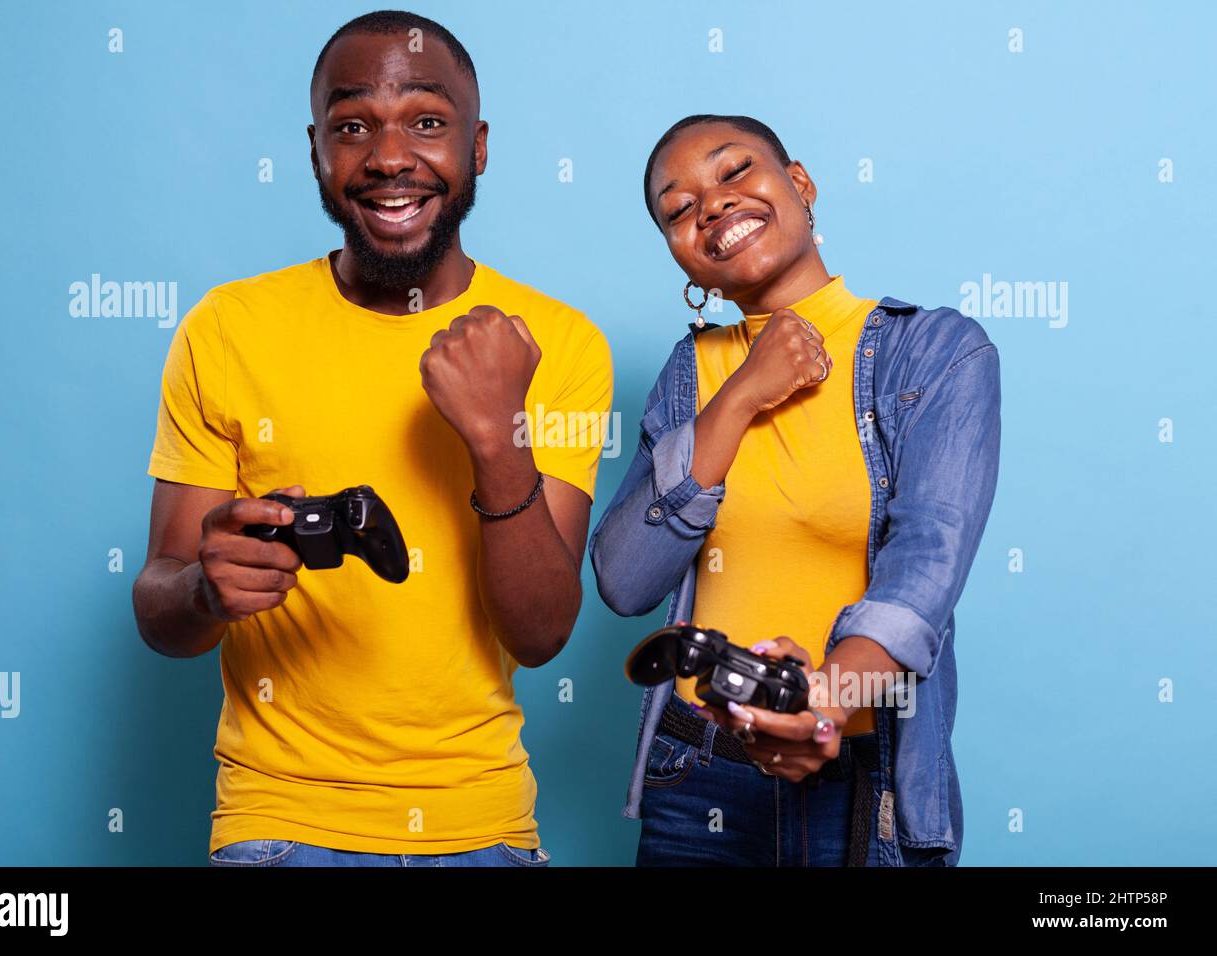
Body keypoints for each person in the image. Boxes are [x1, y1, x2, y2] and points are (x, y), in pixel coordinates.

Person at [131, 10, 612, 868]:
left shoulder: (558, 342)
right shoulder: (228, 327)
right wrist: (208, 588)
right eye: (353, 126)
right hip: (279, 823)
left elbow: (540, 634)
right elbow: (159, 608)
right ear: (317, 149)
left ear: (480, 145)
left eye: (427, 121)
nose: (390, 157)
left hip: (485, 825)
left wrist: (498, 437)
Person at [589, 114, 1000, 866]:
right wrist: (743, 392)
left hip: (861, 778)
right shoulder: (690, 378)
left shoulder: (936, 351)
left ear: (801, 184)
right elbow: (624, 578)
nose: (710, 205)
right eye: (678, 210)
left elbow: (926, 568)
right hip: (697, 776)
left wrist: (824, 704)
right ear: (684, 260)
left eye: (735, 171)